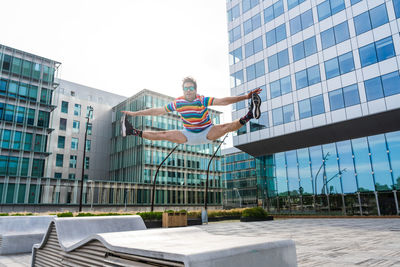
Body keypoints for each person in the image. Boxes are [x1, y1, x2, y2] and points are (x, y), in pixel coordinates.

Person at [120, 76, 262, 145]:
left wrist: (246, 96)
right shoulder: (178, 102)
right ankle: (132, 131)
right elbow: (157, 111)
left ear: (195, 89)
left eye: (191, 88)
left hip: (207, 131)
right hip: (187, 134)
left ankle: (250, 113)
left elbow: (223, 101)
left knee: (227, 127)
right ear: (183, 90)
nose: (188, 91)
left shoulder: (202, 100)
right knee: (163, 134)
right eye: (186, 88)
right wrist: (135, 113)